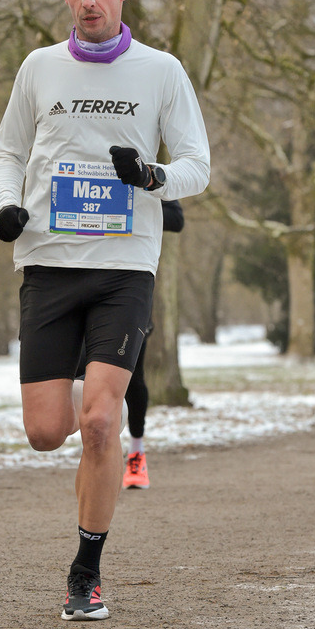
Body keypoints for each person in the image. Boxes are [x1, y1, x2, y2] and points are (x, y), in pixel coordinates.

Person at [0, 0, 210, 620]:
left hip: (123, 267)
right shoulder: (39, 68)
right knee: (45, 431)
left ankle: (85, 572)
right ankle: (86, 512)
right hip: (49, 262)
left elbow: (198, 165)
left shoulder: (161, 71)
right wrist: (5, 206)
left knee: (97, 421)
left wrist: (153, 176)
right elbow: (8, 149)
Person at [122, 198, 185, 490]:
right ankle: (97, 450)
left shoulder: (142, 165)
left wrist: (126, 203)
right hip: (74, 282)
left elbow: (175, 218)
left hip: (129, 284)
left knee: (132, 377)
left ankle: (136, 452)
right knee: (81, 375)